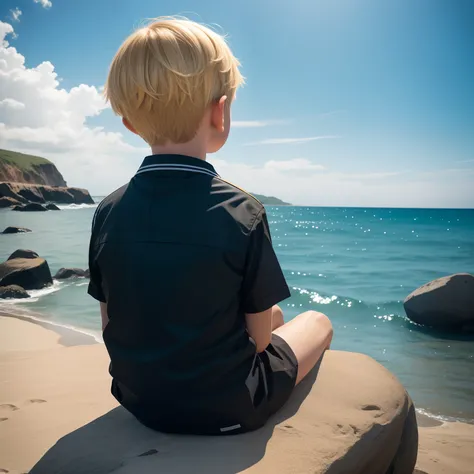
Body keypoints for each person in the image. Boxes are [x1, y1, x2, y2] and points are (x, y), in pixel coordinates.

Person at [88, 17, 333, 436]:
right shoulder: (243, 210)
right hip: (228, 408)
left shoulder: (107, 210)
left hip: (138, 400)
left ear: (129, 123)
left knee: (270, 313)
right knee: (315, 322)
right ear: (220, 112)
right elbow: (257, 343)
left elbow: (111, 323)